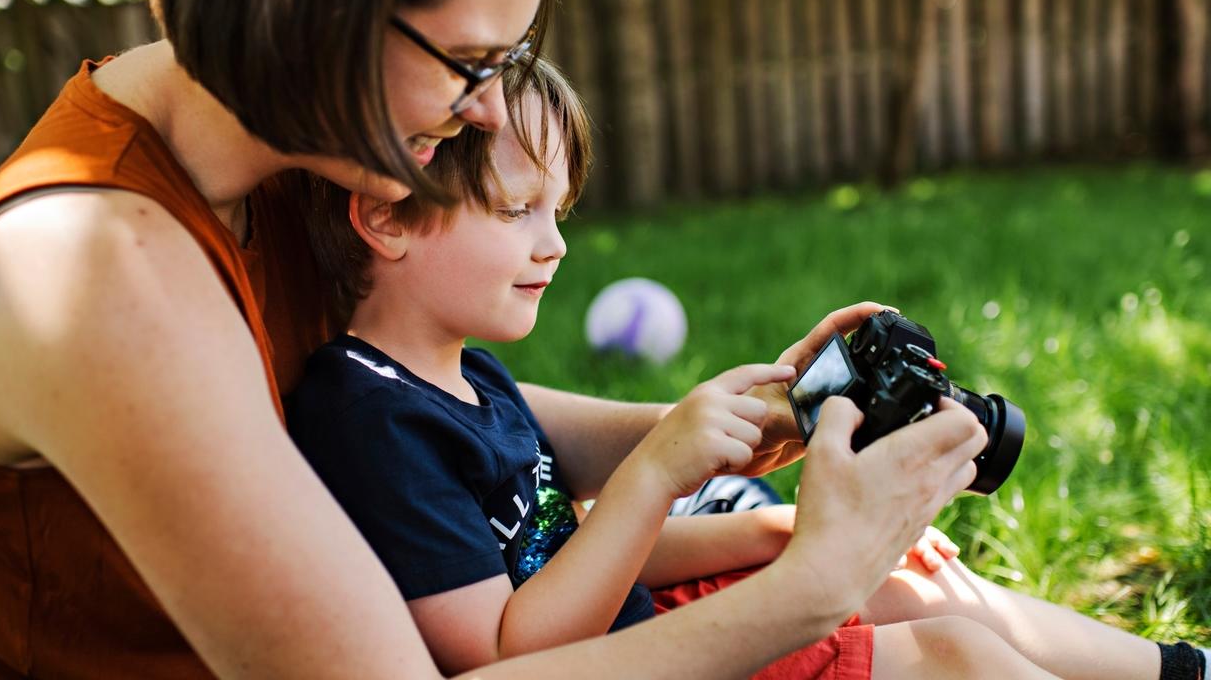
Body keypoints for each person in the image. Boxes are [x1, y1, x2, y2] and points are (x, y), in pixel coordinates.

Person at [0, 0, 999, 678]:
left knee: (938, 622)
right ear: (320, 6)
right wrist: (811, 584)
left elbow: (423, 410)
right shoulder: (100, 275)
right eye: (473, 63)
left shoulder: (293, 151)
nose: (488, 109)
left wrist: (727, 425)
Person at [289, 57, 1210, 680]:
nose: (554, 244)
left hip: (637, 626)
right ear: (387, 215)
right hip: (629, 661)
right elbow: (506, 654)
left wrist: (777, 530)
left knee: (906, 584)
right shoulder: (369, 416)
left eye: (557, 212)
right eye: (516, 209)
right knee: (951, 659)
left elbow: (562, 557)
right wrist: (656, 474)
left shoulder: (469, 378)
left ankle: (1182, 669)